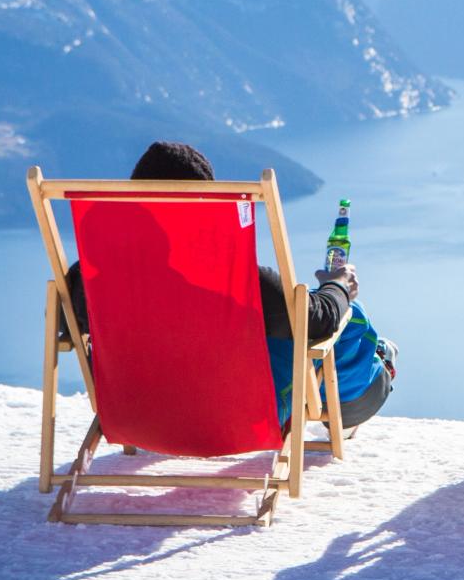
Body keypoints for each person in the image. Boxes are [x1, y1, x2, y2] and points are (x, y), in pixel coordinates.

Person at [63, 141, 396, 432]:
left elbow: (66, 330)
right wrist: (339, 286)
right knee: (346, 318)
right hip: (233, 423)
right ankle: (371, 376)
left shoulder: (88, 283)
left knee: (279, 327)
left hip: (138, 418)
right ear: (205, 206)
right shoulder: (242, 284)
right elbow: (320, 321)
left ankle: (373, 358)